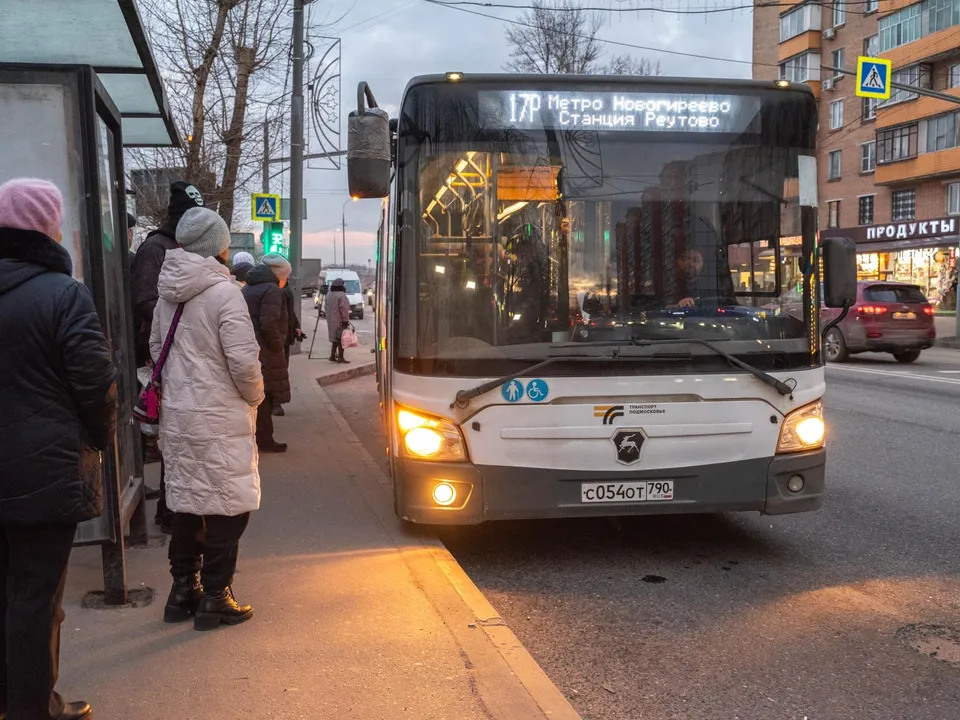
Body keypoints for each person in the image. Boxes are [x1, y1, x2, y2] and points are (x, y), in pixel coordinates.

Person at [0, 178, 119, 720]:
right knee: (35, 599)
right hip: (43, 475)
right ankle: (34, 710)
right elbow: (95, 384)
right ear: (47, 226)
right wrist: (98, 437)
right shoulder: (62, 293)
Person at [151, 207, 264, 631]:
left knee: (186, 503)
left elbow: (155, 346)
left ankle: (182, 592)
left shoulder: (168, 294)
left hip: (179, 416)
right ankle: (217, 597)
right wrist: (256, 398)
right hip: (220, 415)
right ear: (216, 245)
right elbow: (243, 362)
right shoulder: (224, 294)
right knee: (228, 507)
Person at [131, 181, 204, 532]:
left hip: (180, 354)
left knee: (179, 437)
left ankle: (175, 509)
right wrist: (181, 322)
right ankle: (169, 511)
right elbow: (145, 300)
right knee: (171, 437)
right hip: (158, 356)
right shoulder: (155, 247)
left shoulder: (178, 246)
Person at [242, 254, 292, 452]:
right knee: (265, 395)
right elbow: (269, 323)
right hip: (264, 349)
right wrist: (278, 344)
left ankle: (258, 436)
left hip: (250, 346)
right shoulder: (271, 290)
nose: (286, 280)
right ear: (279, 274)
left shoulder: (250, 286)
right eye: (286, 276)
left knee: (257, 394)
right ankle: (265, 439)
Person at [274, 283, 305, 417]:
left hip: (283, 338)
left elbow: (289, 312)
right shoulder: (276, 291)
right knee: (277, 371)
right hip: (277, 339)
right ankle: (275, 403)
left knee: (280, 370)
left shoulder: (284, 290)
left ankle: (275, 403)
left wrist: (296, 327)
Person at [325, 277, 352, 363]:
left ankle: (332, 356)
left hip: (330, 320)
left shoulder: (329, 294)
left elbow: (326, 307)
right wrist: (345, 320)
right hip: (339, 320)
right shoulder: (342, 295)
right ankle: (340, 357)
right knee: (342, 338)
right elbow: (344, 309)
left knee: (335, 338)